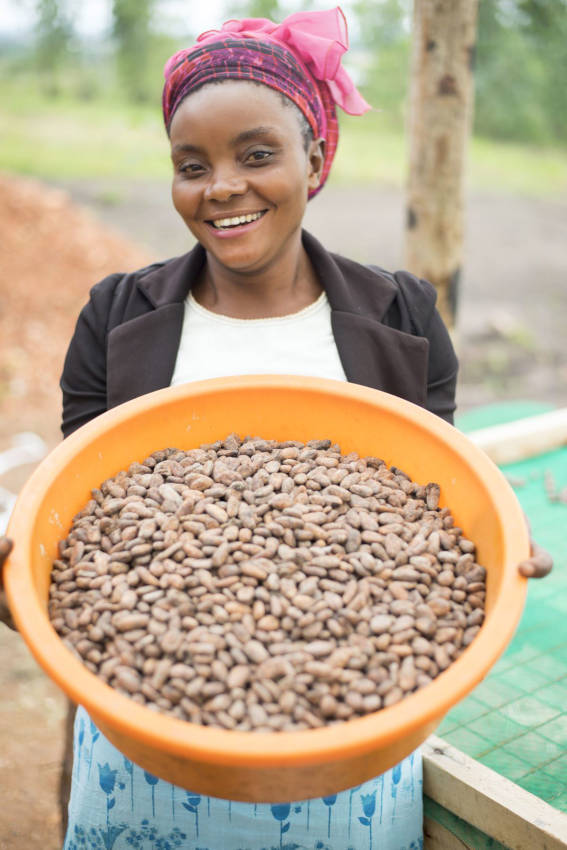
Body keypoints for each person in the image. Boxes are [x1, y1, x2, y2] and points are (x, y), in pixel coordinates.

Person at [0, 7, 552, 849]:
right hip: (142, 760)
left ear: (316, 158)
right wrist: (14, 582)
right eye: (192, 165)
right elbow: (69, 527)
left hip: (350, 764)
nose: (221, 186)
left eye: (256, 154)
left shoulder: (400, 317)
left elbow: (434, 497)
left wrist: (491, 547)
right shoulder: (117, 317)